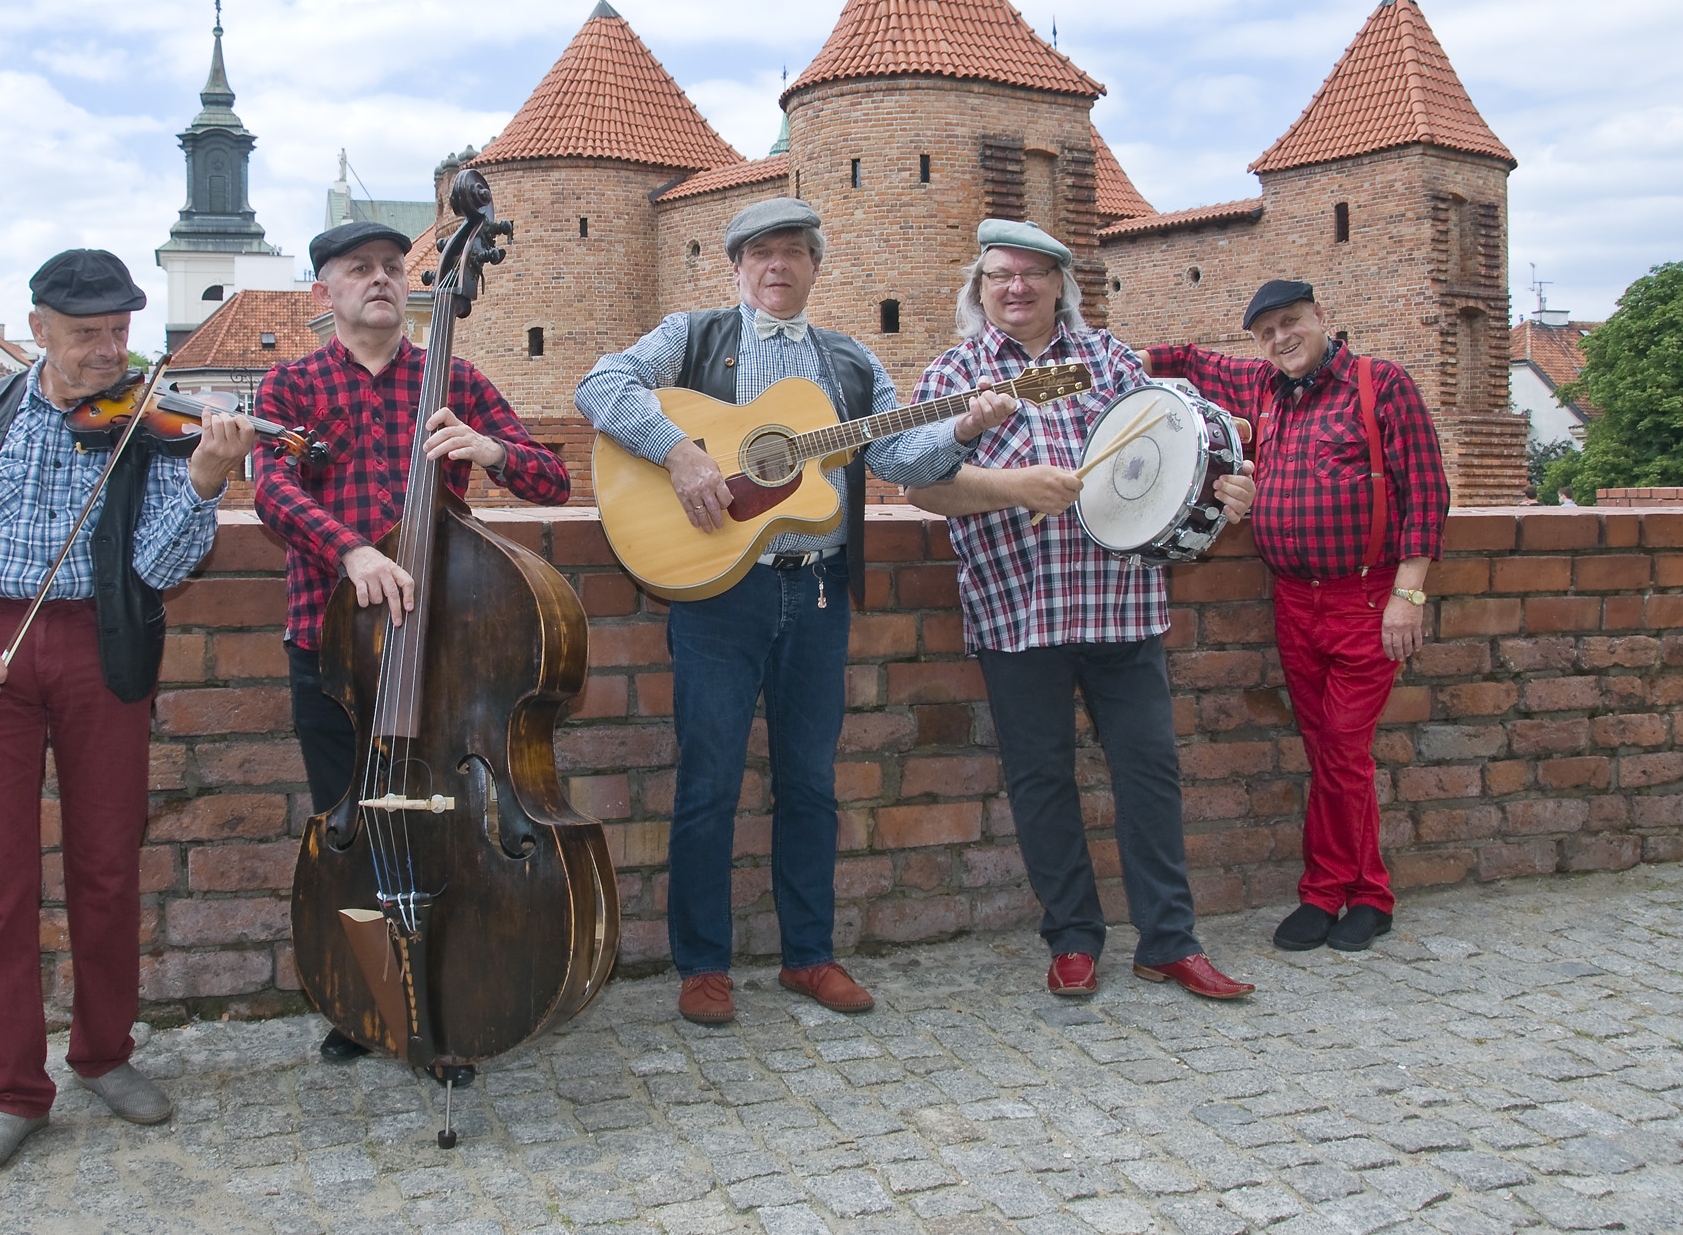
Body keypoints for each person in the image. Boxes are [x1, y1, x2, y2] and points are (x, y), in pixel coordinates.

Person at [0, 249, 254, 1179]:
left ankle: (105, 1052)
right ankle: (11, 1090)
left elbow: (158, 567)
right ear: (39, 329)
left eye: (120, 331)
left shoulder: (150, 424)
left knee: (107, 864)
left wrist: (205, 478)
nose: (110, 352)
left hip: (102, 643)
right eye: (87, 335)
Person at [575, 196, 980, 1026]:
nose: (777, 265)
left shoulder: (850, 362)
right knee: (709, 780)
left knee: (809, 781)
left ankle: (809, 954)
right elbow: (599, 384)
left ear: (814, 267)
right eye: (761, 252)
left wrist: (964, 428)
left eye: (794, 251)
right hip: (720, 593)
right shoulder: (692, 337)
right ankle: (703, 964)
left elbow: (899, 454)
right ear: (736, 267)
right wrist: (679, 451)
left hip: (819, 590)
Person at [905, 220, 1257, 1001]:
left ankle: (1170, 940)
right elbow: (921, 486)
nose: (1016, 287)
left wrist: (1226, 486)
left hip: (1121, 601)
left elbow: (1171, 456)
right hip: (1017, 607)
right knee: (1041, 779)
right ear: (980, 287)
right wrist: (1014, 486)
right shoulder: (954, 373)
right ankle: (1072, 938)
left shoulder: (1110, 359)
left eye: (1032, 273)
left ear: (1060, 284)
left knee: (1150, 771)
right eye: (1000, 275)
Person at [254, 219, 571, 1063]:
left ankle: (454, 988)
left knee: (449, 827)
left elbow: (553, 478)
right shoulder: (291, 384)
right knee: (355, 821)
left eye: (394, 267)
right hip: (335, 648)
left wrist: (490, 448)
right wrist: (351, 550)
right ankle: (366, 1001)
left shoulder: (455, 377)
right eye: (360, 269)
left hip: (448, 652)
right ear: (323, 292)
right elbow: (271, 490)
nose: (381, 280)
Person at [1144, 279, 1450, 954]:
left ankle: (1339, 892)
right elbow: (1189, 360)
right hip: (1294, 600)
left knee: (1342, 749)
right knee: (1326, 749)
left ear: (1320, 317)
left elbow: (1427, 492)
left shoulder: (1379, 385)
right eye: (1267, 332)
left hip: (1363, 597)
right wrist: (1112, 360)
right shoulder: (1263, 386)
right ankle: (1355, 891)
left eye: (1291, 322)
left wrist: (1408, 594)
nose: (1281, 338)